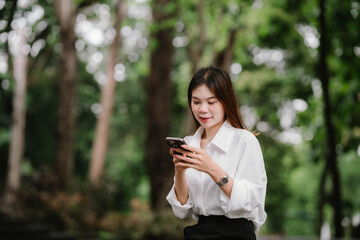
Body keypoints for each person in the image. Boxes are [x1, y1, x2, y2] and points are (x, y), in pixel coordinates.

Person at [166, 66, 267, 240]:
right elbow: (182, 209)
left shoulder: (244, 141)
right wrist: (180, 171)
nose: (202, 109)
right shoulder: (190, 143)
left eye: (211, 102)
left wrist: (212, 168)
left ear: (226, 102)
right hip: (199, 232)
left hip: (236, 234)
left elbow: (251, 201)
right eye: (196, 102)